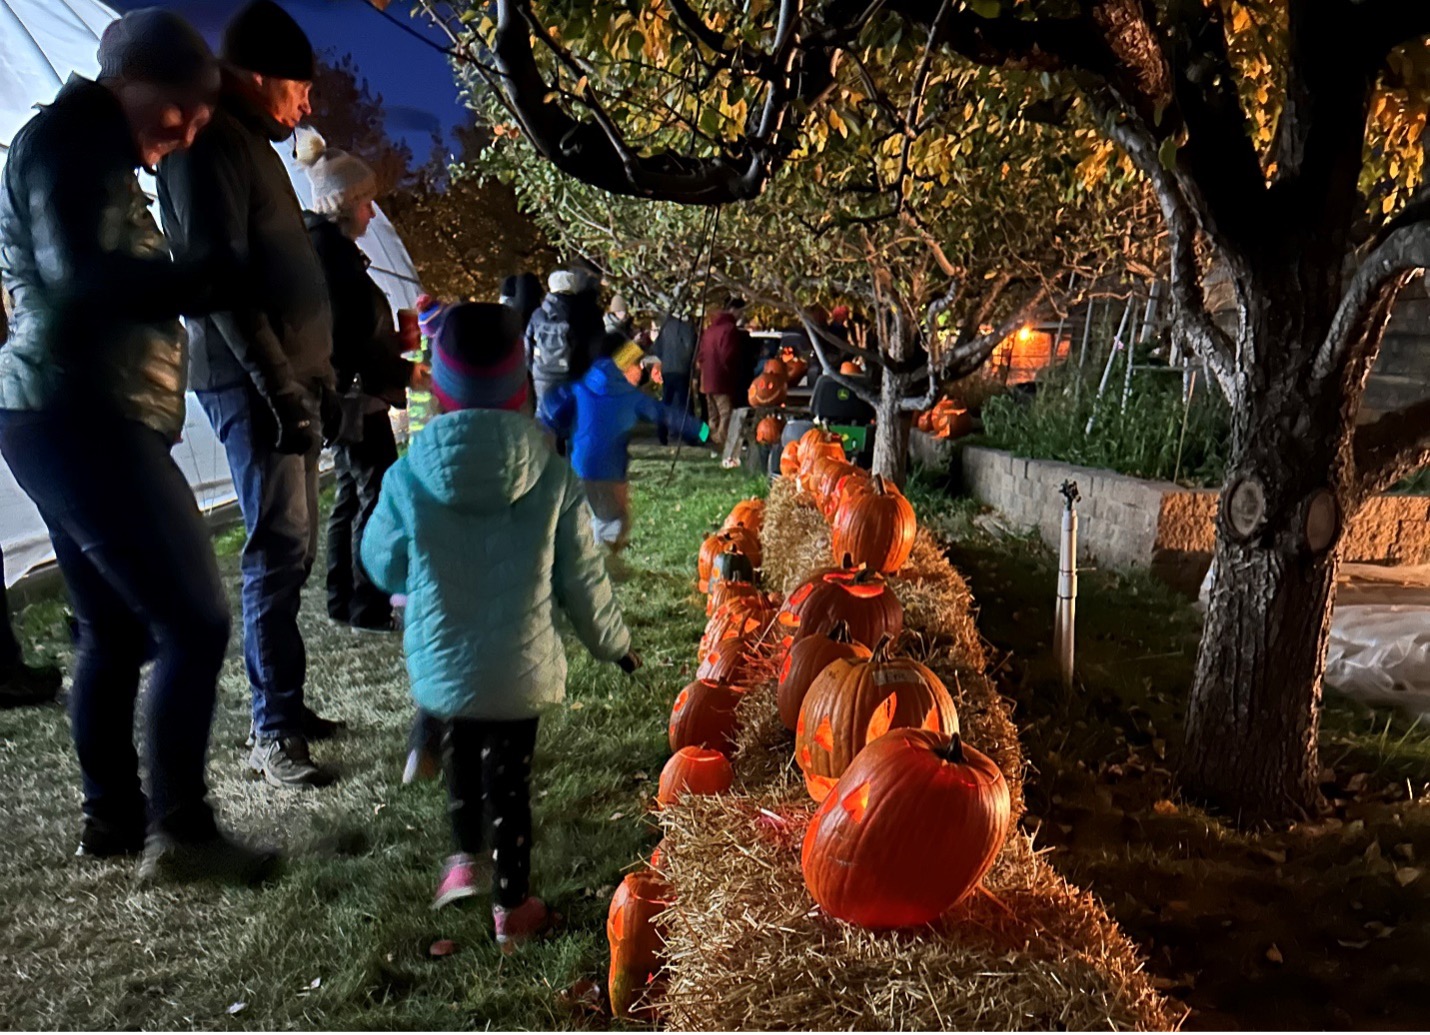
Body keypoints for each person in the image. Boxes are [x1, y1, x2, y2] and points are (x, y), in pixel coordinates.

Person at [0, 7, 276, 881]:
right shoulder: (64, 144)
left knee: (114, 629)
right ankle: (181, 830)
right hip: (79, 413)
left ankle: (113, 816)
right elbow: (83, 284)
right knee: (192, 618)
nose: (187, 130)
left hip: (73, 411)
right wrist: (206, 274)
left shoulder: (99, 154)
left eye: (200, 117)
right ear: (127, 80)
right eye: (177, 109)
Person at [359, 303, 641, 944]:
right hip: (519, 664)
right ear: (521, 386)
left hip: (442, 659)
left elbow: (380, 558)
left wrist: (414, 579)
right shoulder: (552, 474)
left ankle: (463, 862)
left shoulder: (408, 476)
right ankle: (513, 909)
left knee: (460, 756)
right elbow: (582, 579)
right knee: (510, 786)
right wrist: (615, 646)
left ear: (440, 387)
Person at [158, 0, 340, 788]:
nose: (307, 106)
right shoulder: (208, 147)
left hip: (289, 376)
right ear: (260, 75)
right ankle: (272, 728)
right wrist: (278, 383)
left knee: (294, 548)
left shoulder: (251, 144)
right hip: (253, 381)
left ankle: (287, 703)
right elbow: (221, 283)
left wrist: (319, 374)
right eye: (300, 88)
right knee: (275, 547)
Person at [297, 129, 427, 634]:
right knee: (377, 499)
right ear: (344, 204)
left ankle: (342, 597)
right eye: (366, 202)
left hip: (352, 395)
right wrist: (404, 372)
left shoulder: (333, 255)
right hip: (357, 398)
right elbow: (350, 342)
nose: (372, 214)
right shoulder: (334, 263)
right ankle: (367, 603)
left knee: (353, 495)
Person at [539, 333, 709, 552]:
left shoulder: (582, 387)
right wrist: (703, 431)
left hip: (580, 466)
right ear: (624, 365)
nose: (641, 370)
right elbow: (666, 415)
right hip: (610, 470)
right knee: (614, 520)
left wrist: (550, 426)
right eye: (637, 364)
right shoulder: (630, 396)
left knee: (597, 513)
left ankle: (590, 548)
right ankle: (602, 562)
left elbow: (552, 406)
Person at [524, 267, 603, 410]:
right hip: (573, 374)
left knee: (544, 419)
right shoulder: (583, 314)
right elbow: (594, 348)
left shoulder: (538, 314)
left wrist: (535, 368)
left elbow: (527, 347)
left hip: (543, 375)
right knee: (571, 418)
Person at [694, 297, 752, 448]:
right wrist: (734, 373)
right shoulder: (729, 329)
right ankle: (721, 442)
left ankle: (709, 439)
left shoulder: (710, 329)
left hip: (707, 378)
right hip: (722, 379)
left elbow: (701, 354)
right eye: (741, 312)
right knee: (726, 413)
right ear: (734, 310)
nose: (741, 316)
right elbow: (729, 355)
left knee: (712, 414)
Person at [652, 310, 697, 445]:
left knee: (666, 402)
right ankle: (690, 436)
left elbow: (657, 348)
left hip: (668, 370)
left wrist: (666, 359)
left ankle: (662, 434)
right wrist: (689, 363)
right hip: (682, 370)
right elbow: (692, 348)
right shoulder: (687, 328)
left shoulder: (666, 327)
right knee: (685, 405)